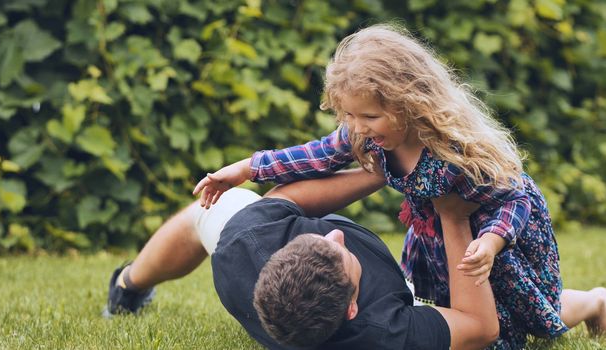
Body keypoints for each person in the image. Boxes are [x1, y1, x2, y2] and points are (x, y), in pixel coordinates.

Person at [192, 24, 606, 349]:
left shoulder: (455, 149)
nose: (356, 128)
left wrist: (494, 241)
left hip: (489, 236)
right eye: (349, 115)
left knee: (527, 313)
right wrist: (248, 169)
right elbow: (314, 155)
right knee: (469, 320)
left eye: (368, 116)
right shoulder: (366, 133)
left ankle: (594, 302)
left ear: (411, 102)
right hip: (441, 235)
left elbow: (515, 198)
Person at [105, 169, 503, 349]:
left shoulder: (247, 250)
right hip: (399, 296)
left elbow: (292, 197)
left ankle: (128, 284)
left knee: (206, 214)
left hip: (245, 249)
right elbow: (481, 327)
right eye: (340, 252)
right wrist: (453, 216)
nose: (336, 233)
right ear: (352, 307)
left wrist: (387, 172)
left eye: (320, 240)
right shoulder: (382, 332)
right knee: (518, 308)